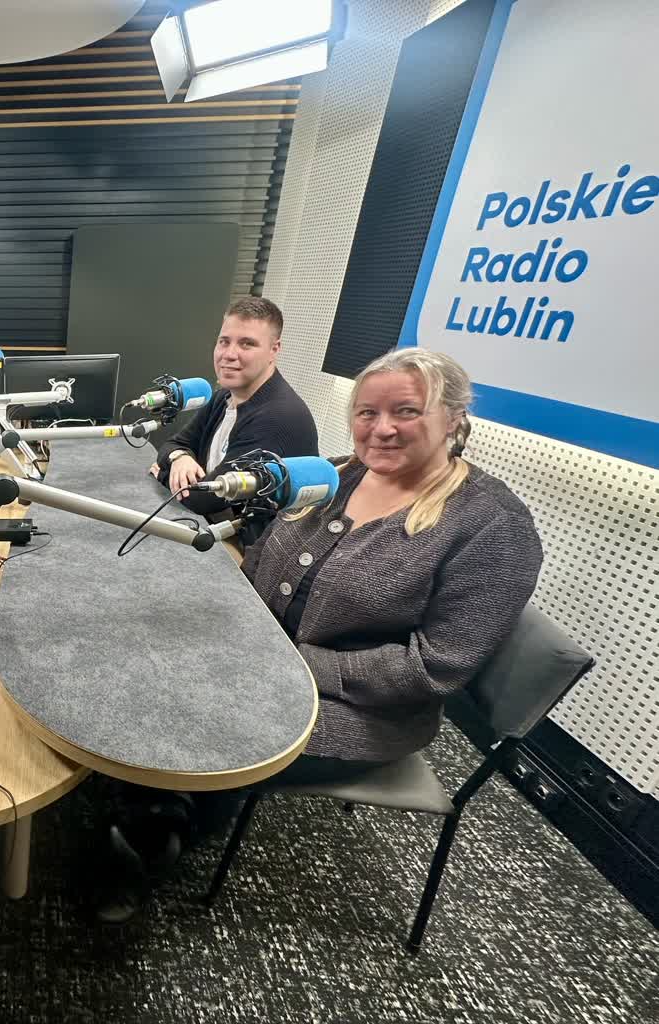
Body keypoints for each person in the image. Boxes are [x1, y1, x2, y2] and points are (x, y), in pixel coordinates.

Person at [98, 348, 543, 922]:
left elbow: (434, 669)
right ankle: (151, 795)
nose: (381, 428)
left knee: (188, 711)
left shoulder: (493, 526)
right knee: (150, 654)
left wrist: (284, 662)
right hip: (261, 653)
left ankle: (154, 835)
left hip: (359, 710)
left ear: (454, 418)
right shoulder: (335, 475)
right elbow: (261, 557)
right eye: (367, 412)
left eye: (406, 411)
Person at [150, 297, 318, 530]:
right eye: (224, 341)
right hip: (217, 525)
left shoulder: (278, 417)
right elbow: (174, 443)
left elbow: (203, 499)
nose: (229, 354)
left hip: (248, 547)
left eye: (246, 344)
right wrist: (179, 458)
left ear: (274, 350)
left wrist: (162, 472)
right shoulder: (224, 396)